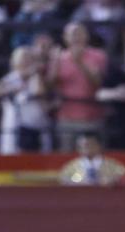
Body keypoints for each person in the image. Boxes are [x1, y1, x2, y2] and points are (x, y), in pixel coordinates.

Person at [0, 45, 51, 154]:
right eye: (22, 59)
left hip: (34, 127)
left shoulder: (37, 77)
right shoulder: (10, 78)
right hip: (13, 126)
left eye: (29, 59)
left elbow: (39, 91)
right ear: (15, 62)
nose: (25, 62)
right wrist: (12, 89)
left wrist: (34, 73)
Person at [47, 21, 109, 152]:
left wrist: (79, 62)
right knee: (66, 157)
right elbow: (50, 85)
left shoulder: (98, 55)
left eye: (80, 33)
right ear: (65, 37)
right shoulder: (58, 57)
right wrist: (55, 64)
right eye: (73, 34)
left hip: (92, 118)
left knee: (94, 156)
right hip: (66, 118)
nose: (76, 37)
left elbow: (98, 83)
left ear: (86, 36)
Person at [57, 130, 125, 185]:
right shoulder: (70, 167)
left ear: (99, 145)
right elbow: (64, 181)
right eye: (81, 146)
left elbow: (123, 179)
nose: (85, 148)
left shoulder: (114, 166)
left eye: (89, 145)